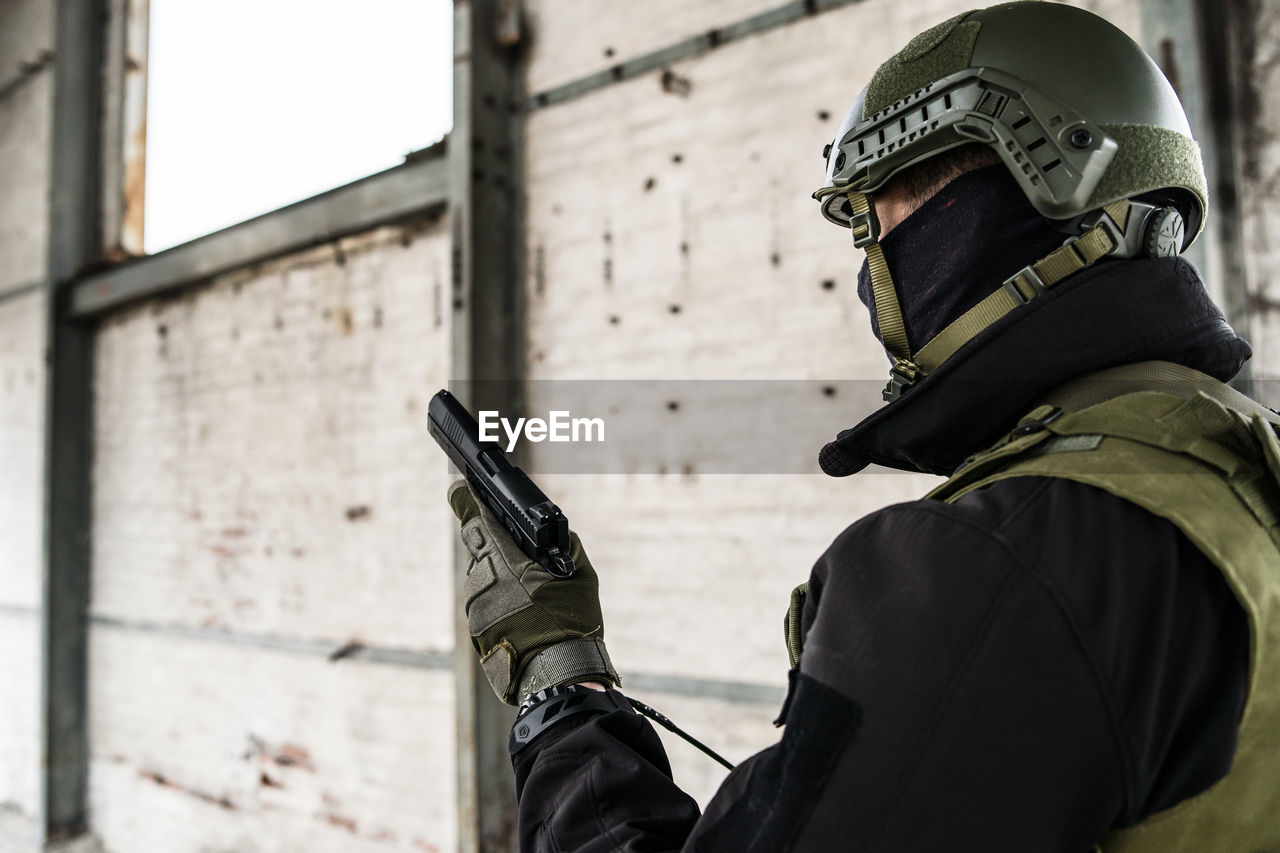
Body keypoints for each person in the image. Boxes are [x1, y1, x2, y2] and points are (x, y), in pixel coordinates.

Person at [448, 3, 1280, 850]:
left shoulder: (1010, 555)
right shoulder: (1236, 464)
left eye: (876, 221)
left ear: (1012, 189)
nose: (871, 269)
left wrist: (558, 681)